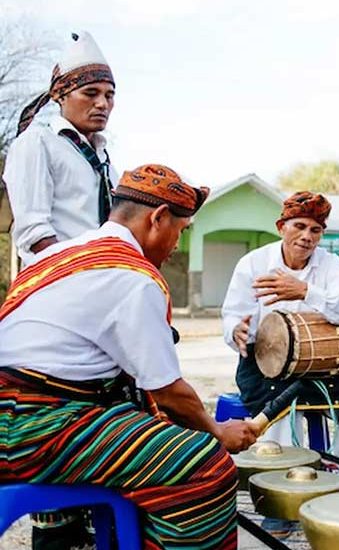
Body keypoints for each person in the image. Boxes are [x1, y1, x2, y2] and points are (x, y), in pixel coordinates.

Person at [0, 164, 259, 550]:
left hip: (20, 411)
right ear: (158, 218)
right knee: (205, 466)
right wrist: (218, 431)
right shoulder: (132, 276)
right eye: (180, 230)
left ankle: (80, 534)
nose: (175, 246)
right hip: (28, 428)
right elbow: (169, 391)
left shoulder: (56, 256)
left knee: (144, 420)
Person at [221, 191, 339, 465]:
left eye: (315, 230)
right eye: (299, 227)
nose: (307, 236)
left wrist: (305, 291)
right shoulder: (253, 264)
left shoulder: (333, 265)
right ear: (281, 228)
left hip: (318, 365)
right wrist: (236, 332)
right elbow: (232, 315)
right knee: (277, 403)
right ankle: (282, 475)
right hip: (263, 365)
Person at [3, 32, 118, 267]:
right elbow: (34, 233)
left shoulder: (105, 162)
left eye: (109, 95)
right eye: (90, 93)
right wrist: (77, 274)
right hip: (56, 284)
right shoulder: (37, 143)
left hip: (98, 281)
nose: (102, 104)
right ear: (60, 96)